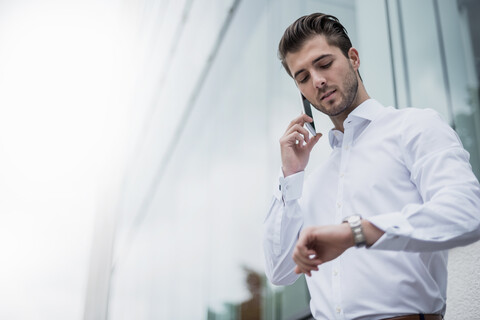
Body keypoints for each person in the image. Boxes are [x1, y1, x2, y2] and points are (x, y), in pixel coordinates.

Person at [263, 13, 480, 320]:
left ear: (353, 58)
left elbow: (468, 213)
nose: (318, 80)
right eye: (303, 77)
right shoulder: (312, 182)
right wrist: (290, 177)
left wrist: (356, 232)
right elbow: (280, 271)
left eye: (324, 64)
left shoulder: (414, 127)